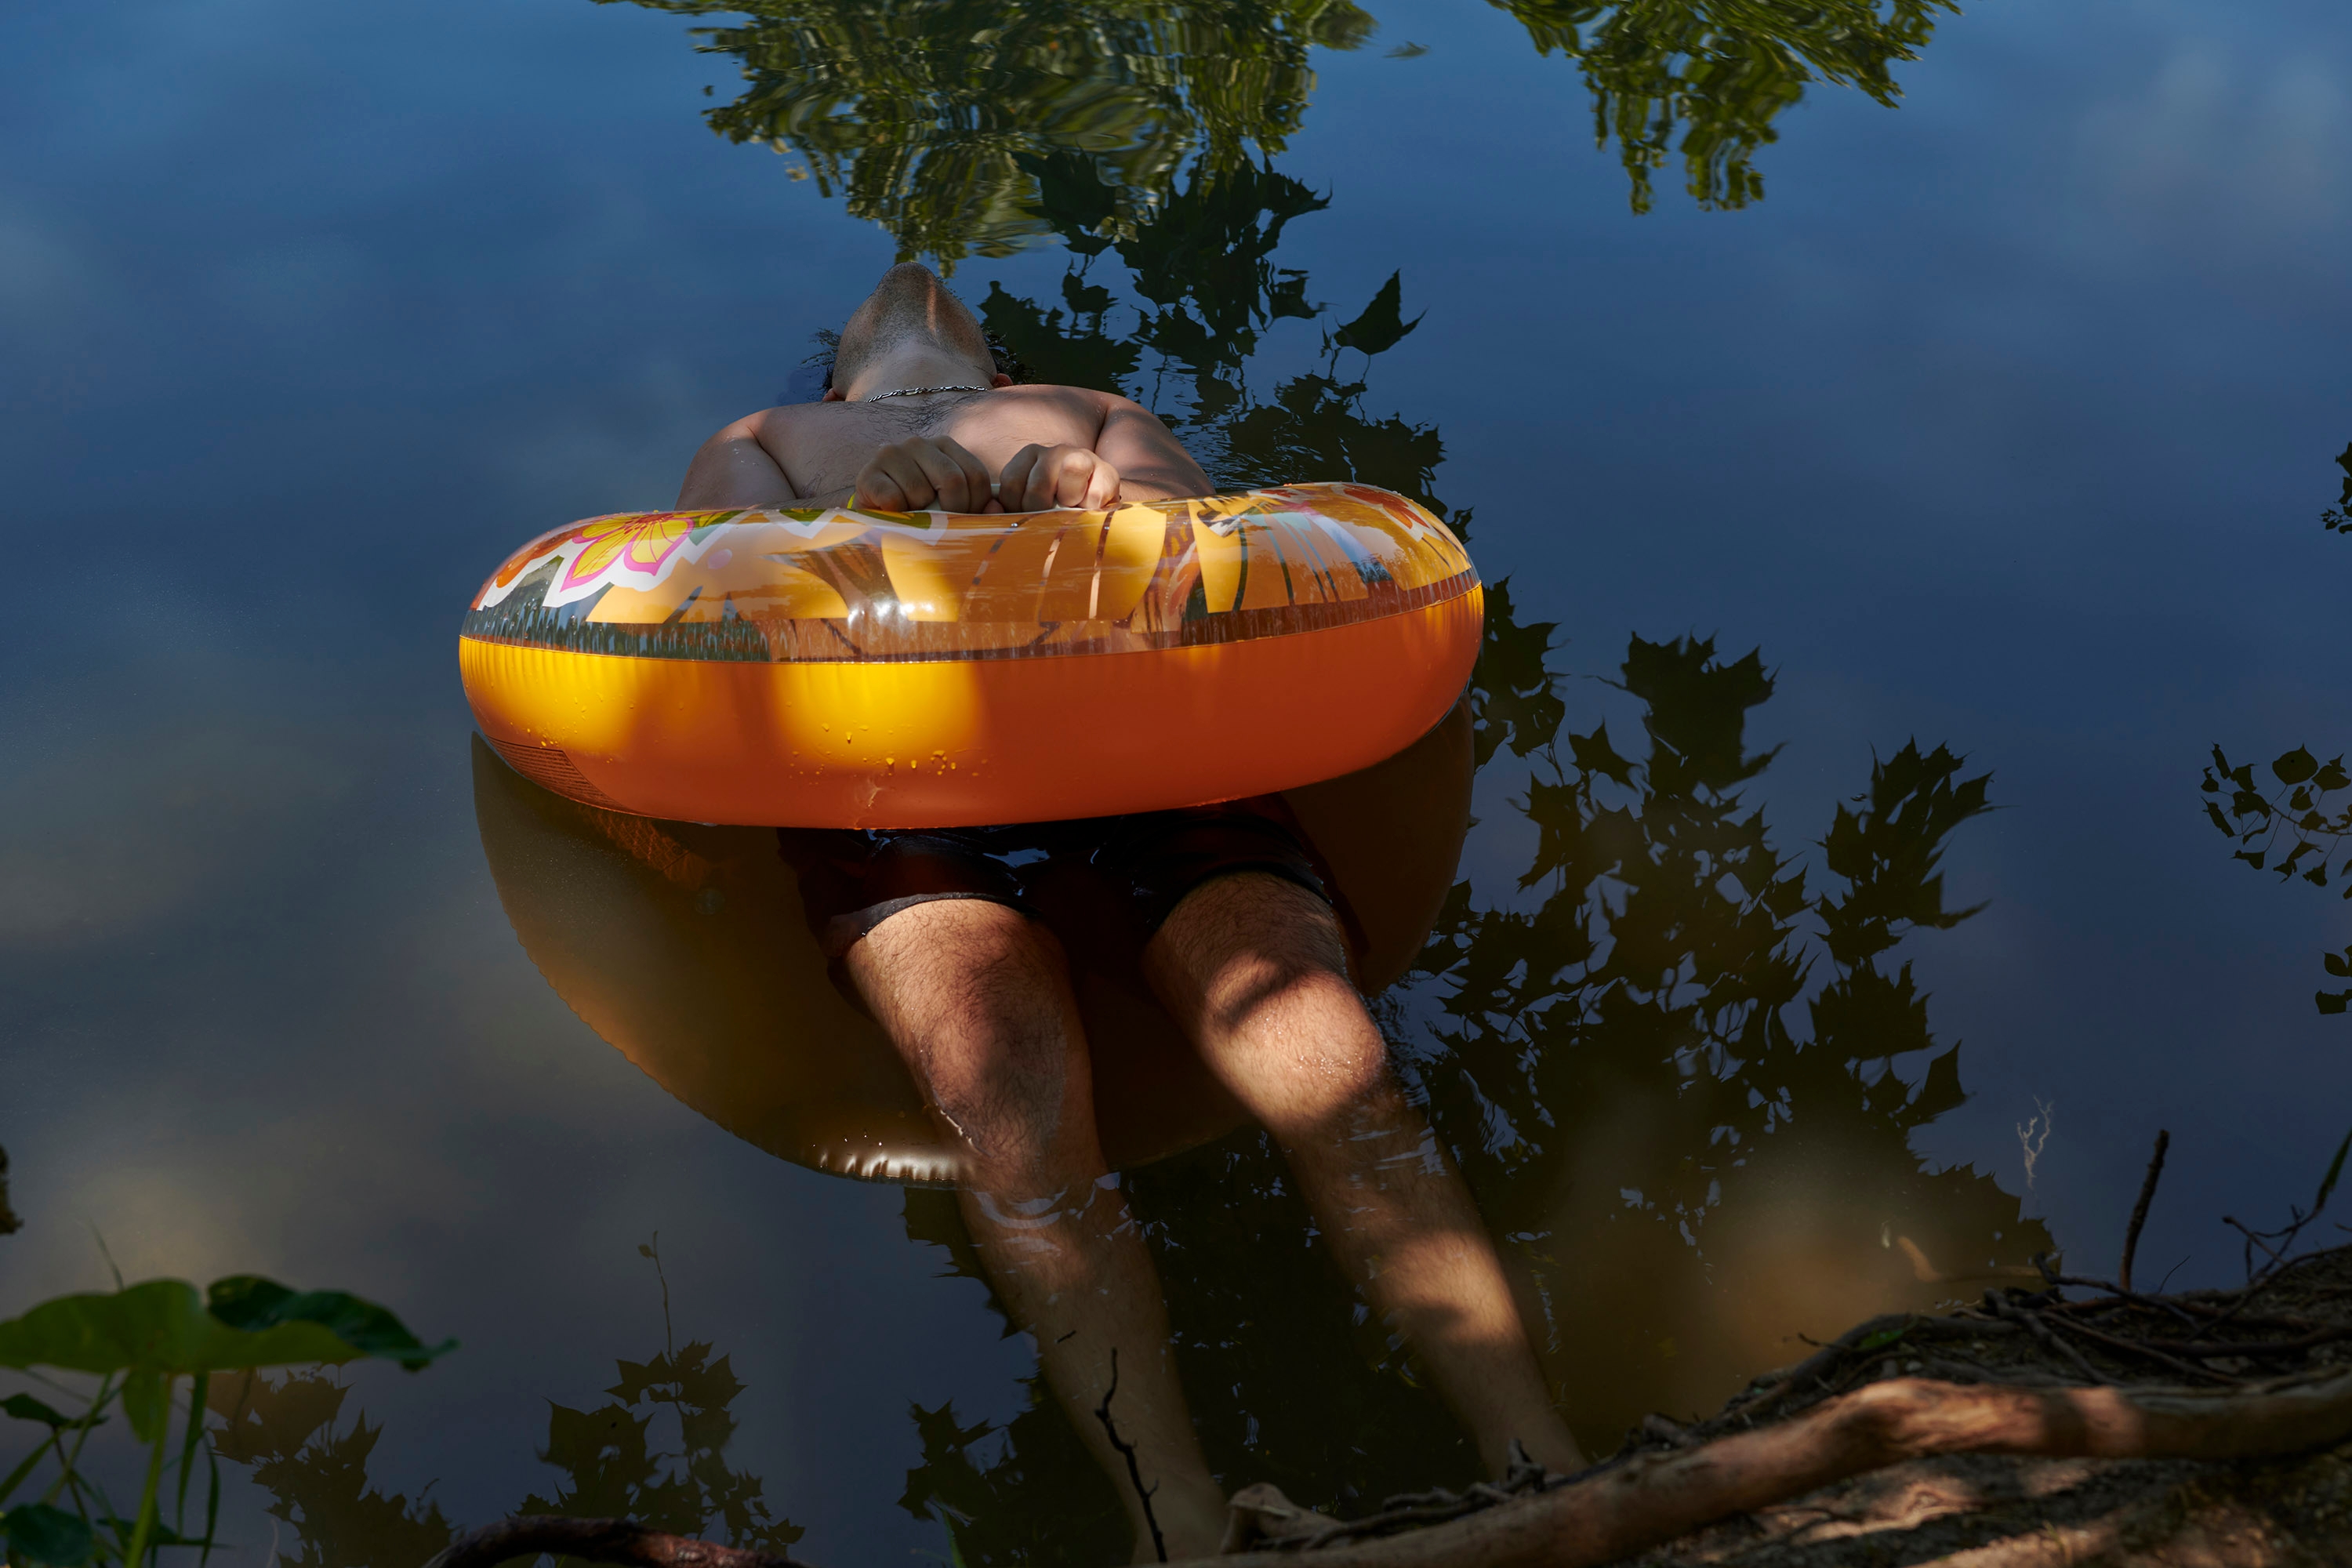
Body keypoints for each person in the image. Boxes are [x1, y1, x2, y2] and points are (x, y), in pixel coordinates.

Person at [679, 263, 1580, 1558]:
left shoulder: (1088, 409)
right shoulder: (762, 443)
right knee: (1015, 1101)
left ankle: (1540, 1462)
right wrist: (858, 519)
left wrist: (1091, 502)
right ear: (834, 381)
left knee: (1327, 1061)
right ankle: (1180, 1524)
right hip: (902, 786)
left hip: (1148, 766)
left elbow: (1211, 563)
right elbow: (718, 594)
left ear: (995, 371)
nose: (914, 285)